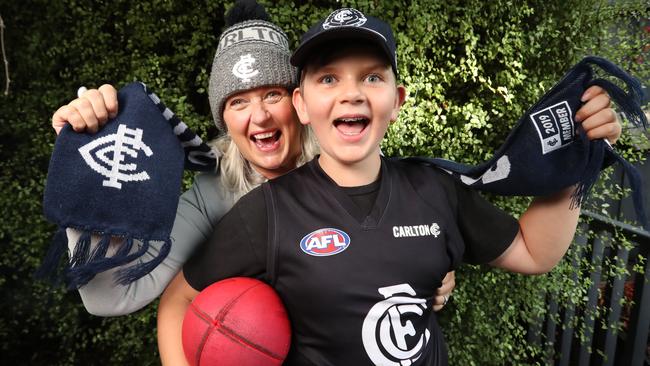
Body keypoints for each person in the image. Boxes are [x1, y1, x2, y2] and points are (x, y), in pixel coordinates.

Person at [158, 7, 623, 366]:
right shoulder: (267, 212)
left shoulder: (436, 189)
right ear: (302, 104)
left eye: (373, 77)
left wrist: (580, 157)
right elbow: (178, 301)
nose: (351, 93)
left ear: (396, 101)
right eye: (328, 78)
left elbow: (535, 252)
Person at [49, 1, 456, 317]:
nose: (259, 116)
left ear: (299, 103)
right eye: (238, 101)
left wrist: (432, 272)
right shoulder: (215, 195)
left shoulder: (351, 163)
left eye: (272, 95)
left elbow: (402, 244)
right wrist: (90, 161)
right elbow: (112, 297)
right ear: (224, 120)